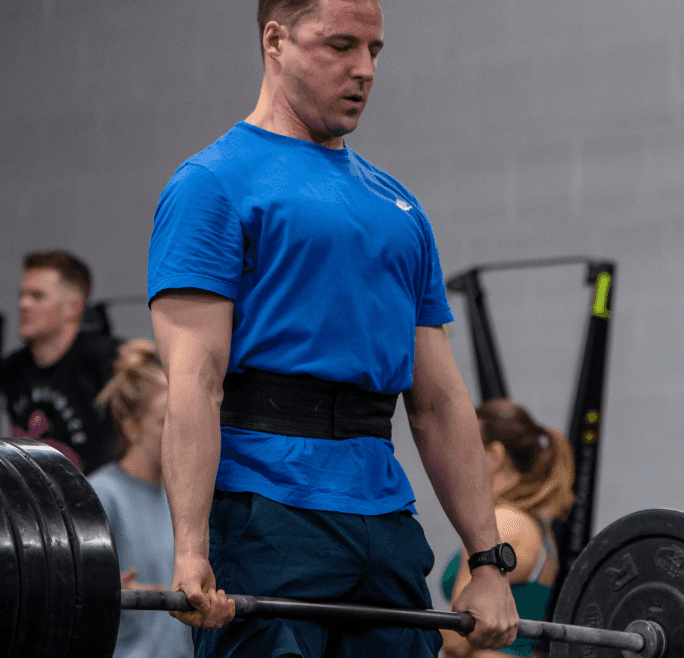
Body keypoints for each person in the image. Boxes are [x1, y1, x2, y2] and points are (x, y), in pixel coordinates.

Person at [146, 1, 522, 656]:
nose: (363, 70)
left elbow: (439, 403)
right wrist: (189, 550)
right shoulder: (212, 184)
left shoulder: (399, 208)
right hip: (266, 517)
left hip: (385, 526)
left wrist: (487, 562)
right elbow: (194, 383)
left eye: (374, 51)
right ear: (276, 40)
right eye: (340, 45)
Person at [440, 399, 577, 658]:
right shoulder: (536, 526)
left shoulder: (503, 522)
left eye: (466, 447)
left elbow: (458, 638)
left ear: (494, 457)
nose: (455, 458)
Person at [90, 340, 194, 658]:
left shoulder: (185, 499)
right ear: (132, 426)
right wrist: (105, 594)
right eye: (165, 423)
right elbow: (72, 603)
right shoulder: (101, 496)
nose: (181, 433)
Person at [0, 250, 121, 474]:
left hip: (98, 502)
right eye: (21, 295)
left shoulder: (107, 361)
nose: (24, 304)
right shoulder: (13, 369)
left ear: (73, 307)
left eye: (37, 296)